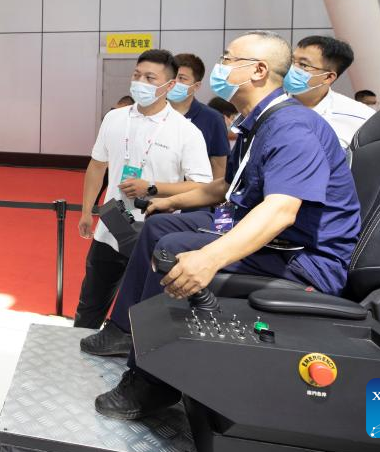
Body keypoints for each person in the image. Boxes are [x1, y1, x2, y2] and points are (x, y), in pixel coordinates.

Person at [92, 31, 361, 420]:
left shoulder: (292, 128)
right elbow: (227, 187)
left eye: (228, 58)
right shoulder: (260, 122)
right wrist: (171, 201)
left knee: (175, 250)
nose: (219, 66)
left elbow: (281, 210)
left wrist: (209, 259)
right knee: (158, 227)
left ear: (258, 71)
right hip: (265, 233)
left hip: (304, 257)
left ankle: (152, 382)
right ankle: (124, 329)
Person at [75, 50, 212, 348]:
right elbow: (97, 166)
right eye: (137, 75)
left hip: (154, 236)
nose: (141, 83)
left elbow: (202, 187)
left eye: (150, 78)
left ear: (169, 85)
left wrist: (151, 187)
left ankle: (136, 358)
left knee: (142, 309)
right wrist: (86, 211)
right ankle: (75, 350)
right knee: (90, 302)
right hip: (110, 228)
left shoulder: (186, 132)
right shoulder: (114, 118)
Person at [284, 36, 375, 149]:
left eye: (303, 65)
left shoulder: (361, 117)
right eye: (291, 61)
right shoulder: (269, 104)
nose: (292, 68)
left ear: (328, 77)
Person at [169, 53, 230, 179]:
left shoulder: (213, 119)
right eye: (172, 76)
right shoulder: (154, 112)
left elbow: (219, 167)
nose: (175, 82)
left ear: (196, 86)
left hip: (194, 189)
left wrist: (212, 192)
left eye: (182, 78)